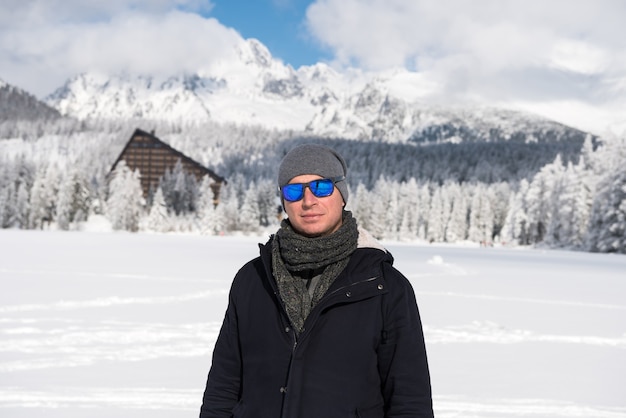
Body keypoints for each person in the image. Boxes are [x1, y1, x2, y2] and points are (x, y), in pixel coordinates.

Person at [200, 144, 434, 418]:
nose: (308, 201)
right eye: (294, 190)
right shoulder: (253, 279)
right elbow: (224, 385)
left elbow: (409, 398)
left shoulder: (384, 286)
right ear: (284, 201)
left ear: (342, 195)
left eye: (321, 187)